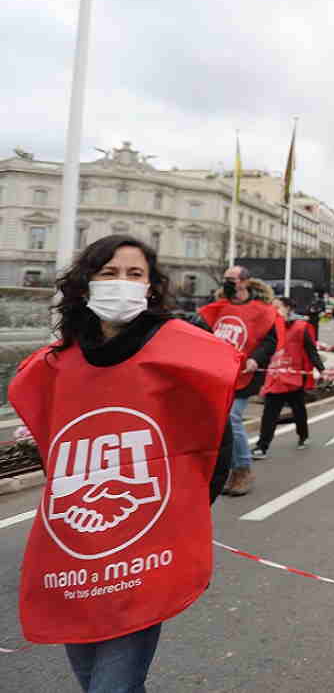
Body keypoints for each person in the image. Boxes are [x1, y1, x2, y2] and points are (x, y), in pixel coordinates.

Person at [8, 235, 239, 691]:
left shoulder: (181, 355)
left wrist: (183, 515)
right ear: (85, 284)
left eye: (135, 275)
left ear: (152, 287)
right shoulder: (57, 364)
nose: (122, 284)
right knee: (95, 678)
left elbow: (216, 443)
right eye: (109, 274)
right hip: (76, 550)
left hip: (144, 550)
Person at [198, 264, 282, 496]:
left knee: (233, 417)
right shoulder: (219, 307)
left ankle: (243, 468)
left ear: (245, 282)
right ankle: (229, 470)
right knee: (220, 421)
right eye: (225, 279)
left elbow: (270, 339)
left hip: (247, 373)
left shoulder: (261, 310)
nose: (227, 282)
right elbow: (202, 332)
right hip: (220, 372)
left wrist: (255, 359)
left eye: (232, 279)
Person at [252, 297, 323, 457]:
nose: (273, 310)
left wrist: (321, 369)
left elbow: (311, 351)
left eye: (277, 307)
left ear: (289, 308)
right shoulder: (269, 328)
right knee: (269, 413)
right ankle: (262, 447)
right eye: (272, 307)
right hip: (275, 378)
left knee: (298, 410)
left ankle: (303, 436)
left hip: (293, 379)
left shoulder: (300, 327)